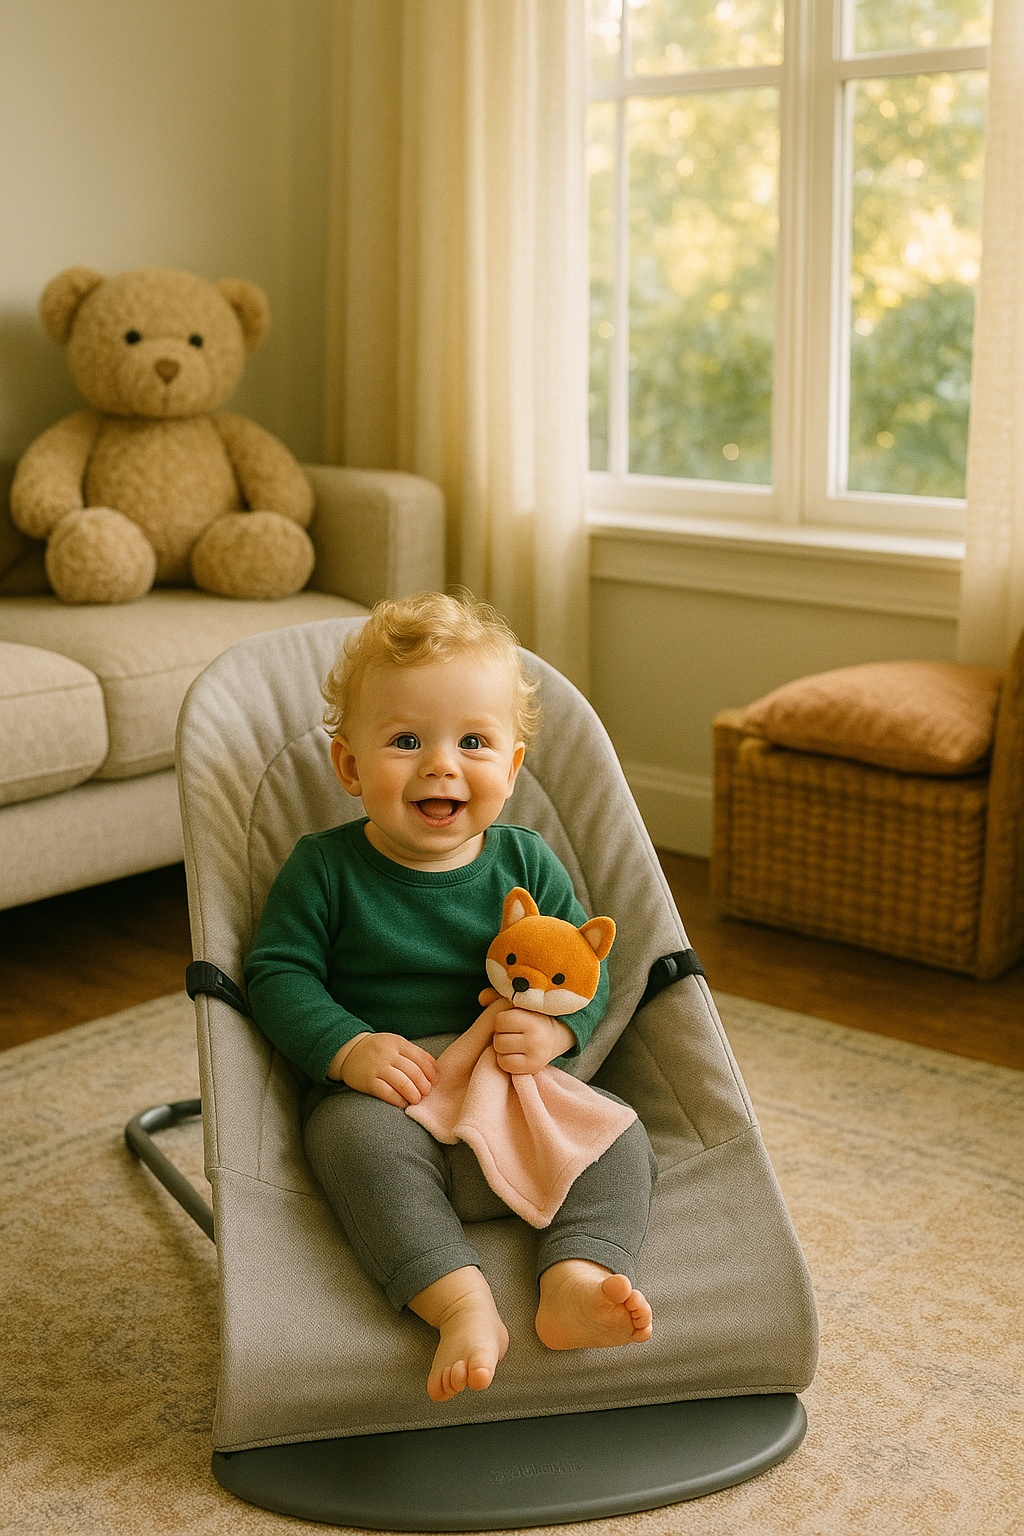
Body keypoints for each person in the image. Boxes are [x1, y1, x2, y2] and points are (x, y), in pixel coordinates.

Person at [244, 592, 656, 1404]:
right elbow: (277, 974)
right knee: (345, 1143)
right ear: (350, 767)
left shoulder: (526, 861)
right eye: (406, 741)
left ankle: (576, 1274)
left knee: (619, 1135)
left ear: (511, 765)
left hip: (516, 1096)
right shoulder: (323, 869)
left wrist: (557, 1041)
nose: (441, 763)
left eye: (473, 741)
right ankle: (459, 1299)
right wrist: (347, 1046)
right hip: (398, 1104)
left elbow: (583, 970)